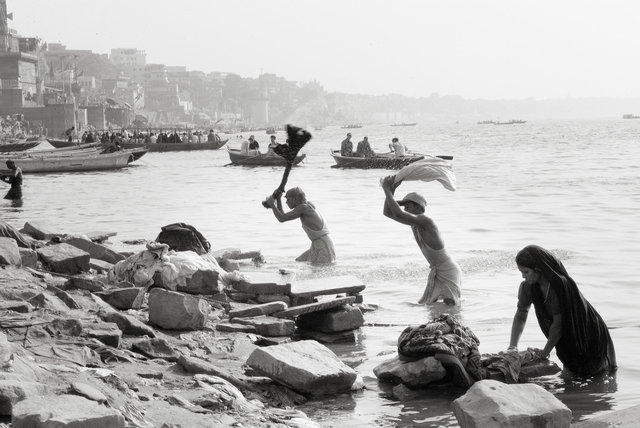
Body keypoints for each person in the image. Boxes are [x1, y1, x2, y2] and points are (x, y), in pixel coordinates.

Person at [508, 245, 617, 375]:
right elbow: (521, 314)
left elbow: (557, 326)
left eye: (526, 272)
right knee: (570, 378)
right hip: (565, 337)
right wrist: (512, 347)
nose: (523, 277)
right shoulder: (527, 287)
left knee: (595, 374)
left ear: (538, 269)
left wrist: (544, 353)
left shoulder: (558, 288)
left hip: (587, 333)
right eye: (521, 272)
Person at [381, 175, 462, 305]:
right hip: (437, 270)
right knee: (430, 306)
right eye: (404, 207)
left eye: (408, 206)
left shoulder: (426, 221)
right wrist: (391, 191)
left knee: (450, 305)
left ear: (419, 208)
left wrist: (386, 188)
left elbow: (398, 213)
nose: (405, 209)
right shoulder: (415, 224)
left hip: (448, 270)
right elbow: (388, 213)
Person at [264, 187, 336, 264]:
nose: (286, 202)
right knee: (299, 261)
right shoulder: (307, 205)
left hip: (323, 245)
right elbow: (283, 216)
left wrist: (272, 205)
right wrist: (278, 200)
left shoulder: (303, 208)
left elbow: (281, 218)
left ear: (295, 199)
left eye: (288, 199)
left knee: (318, 271)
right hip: (320, 243)